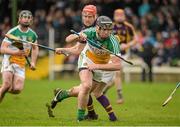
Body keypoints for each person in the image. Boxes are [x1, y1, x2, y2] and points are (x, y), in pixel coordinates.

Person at [50, 15, 121, 121]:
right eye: (104, 29)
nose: (107, 32)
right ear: (98, 28)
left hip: (99, 65)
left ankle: (63, 94)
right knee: (87, 86)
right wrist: (78, 35)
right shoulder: (90, 32)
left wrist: (97, 66)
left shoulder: (113, 41)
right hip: (86, 60)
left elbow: (118, 66)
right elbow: (68, 39)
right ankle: (80, 118)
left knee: (85, 90)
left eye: (109, 30)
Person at [0, 10, 39, 103]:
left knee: (17, 89)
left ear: (31, 20)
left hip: (21, 63)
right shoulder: (13, 32)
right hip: (9, 60)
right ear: (19, 19)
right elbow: (2, 49)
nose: (26, 19)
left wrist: (33, 62)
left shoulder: (33, 35)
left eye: (29, 17)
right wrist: (16, 53)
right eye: (24, 17)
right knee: (7, 84)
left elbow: (35, 48)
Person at [103, 9, 137, 104]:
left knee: (116, 78)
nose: (119, 16)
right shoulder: (110, 26)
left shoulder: (128, 27)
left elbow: (136, 39)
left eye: (121, 15)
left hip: (124, 54)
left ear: (124, 16)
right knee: (117, 74)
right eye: (117, 15)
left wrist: (127, 45)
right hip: (113, 54)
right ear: (114, 16)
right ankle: (120, 95)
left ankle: (104, 90)